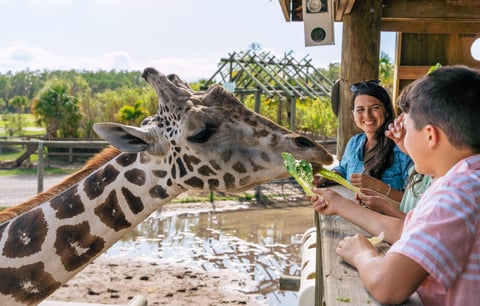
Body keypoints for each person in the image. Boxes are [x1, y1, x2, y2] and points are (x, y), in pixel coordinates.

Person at [315, 65, 480, 305]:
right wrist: (340, 204)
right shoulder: (466, 180)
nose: (400, 137)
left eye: (408, 128)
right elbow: (409, 231)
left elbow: (387, 285)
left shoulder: (456, 193)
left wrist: (362, 255)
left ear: (430, 136)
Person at [315, 80, 412, 202]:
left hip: (386, 219)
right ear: (353, 114)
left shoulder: (402, 148)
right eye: (360, 109)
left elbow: (413, 201)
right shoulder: (354, 142)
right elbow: (343, 169)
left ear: (386, 111)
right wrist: (329, 177)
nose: (367, 115)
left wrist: (378, 187)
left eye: (375, 108)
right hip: (354, 215)